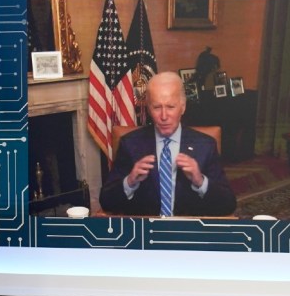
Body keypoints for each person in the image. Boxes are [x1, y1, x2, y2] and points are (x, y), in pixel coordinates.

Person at [99, 72, 236, 216]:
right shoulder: (130, 144)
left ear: (183, 107)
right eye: (157, 107)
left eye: (171, 107)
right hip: (146, 231)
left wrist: (200, 181)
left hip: (187, 230)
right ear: (148, 108)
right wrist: (130, 181)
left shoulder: (205, 145)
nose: (164, 116)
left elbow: (228, 205)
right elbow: (106, 202)